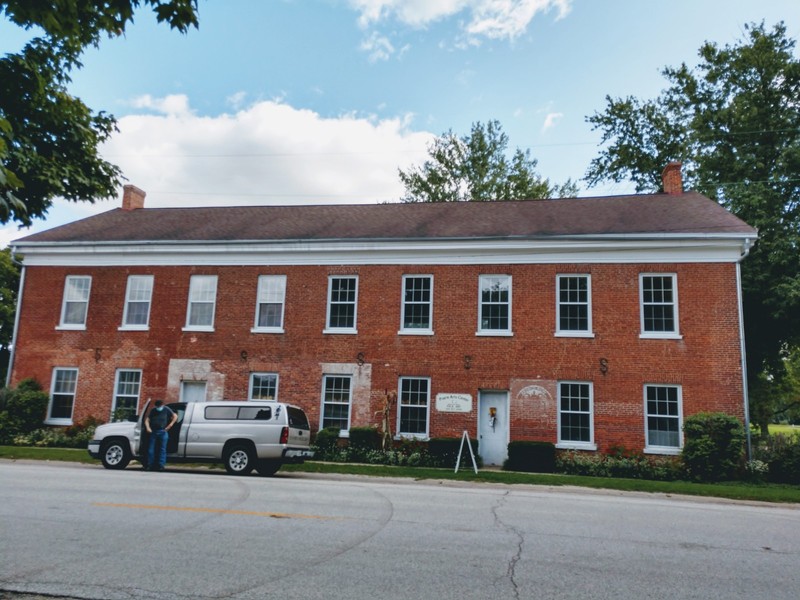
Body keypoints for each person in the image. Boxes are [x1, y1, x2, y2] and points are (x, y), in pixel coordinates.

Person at [146, 400, 177, 471]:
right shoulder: (153, 410)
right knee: (151, 450)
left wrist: (170, 425)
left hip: (163, 431)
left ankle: (161, 465)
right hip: (153, 431)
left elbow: (175, 416)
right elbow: (147, 420)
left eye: (159, 406)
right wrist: (148, 427)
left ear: (162, 405)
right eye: (157, 406)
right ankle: (150, 465)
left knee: (162, 449)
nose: (158, 408)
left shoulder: (166, 409)